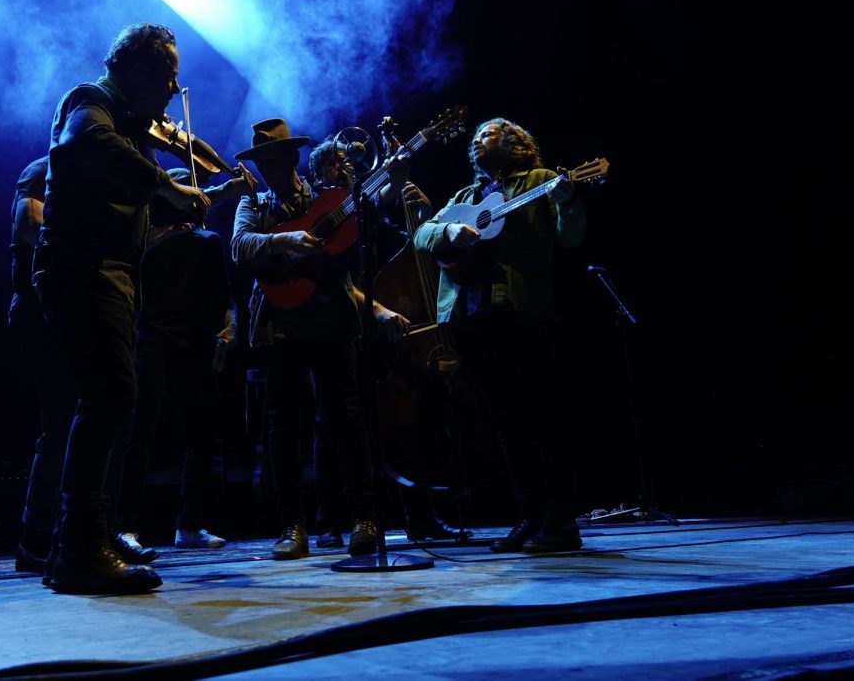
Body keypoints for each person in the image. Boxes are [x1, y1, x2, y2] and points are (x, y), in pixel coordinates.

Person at [32, 23, 210, 594]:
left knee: (114, 402)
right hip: (84, 270)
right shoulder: (91, 103)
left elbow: (120, 202)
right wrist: (165, 185)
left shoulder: (128, 125)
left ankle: (91, 536)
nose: (171, 91)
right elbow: (88, 142)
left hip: (107, 271)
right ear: (137, 69)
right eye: (168, 78)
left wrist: (173, 198)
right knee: (109, 398)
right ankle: (76, 551)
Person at [230, 118, 404, 560]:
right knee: (284, 427)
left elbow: (368, 212)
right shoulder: (253, 202)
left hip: (332, 319)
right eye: (263, 159)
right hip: (279, 325)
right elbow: (240, 246)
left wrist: (395, 175)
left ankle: (364, 518)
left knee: (347, 418)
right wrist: (288, 239)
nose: (269, 167)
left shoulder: (328, 198)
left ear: (292, 158)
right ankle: (293, 525)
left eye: (276, 157)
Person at [413, 117, 587, 553]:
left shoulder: (541, 181)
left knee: (544, 419)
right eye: (474, 138)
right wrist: (450, 230)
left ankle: (561, 522)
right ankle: (529, 517)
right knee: (507, 425)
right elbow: (422, 234)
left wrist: (568, 201)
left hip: (524, 314)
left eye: (486, 135)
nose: (476, 141)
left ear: (513, 142)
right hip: (475, 320)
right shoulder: (466, 197)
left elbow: (572, 238)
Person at [306, 137, 469, 546]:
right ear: (318, 174)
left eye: (348, 162)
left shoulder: (370, 214)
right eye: (334, 163)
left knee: (403, 426)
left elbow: (407, 245)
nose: (344, 167)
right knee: (336, 424)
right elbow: (334, 275)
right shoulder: (319, 216)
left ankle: (420, 516)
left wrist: (416, 206)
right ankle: (331, 521)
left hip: (389, 333)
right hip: (340, 326)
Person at [113, 164, 255, 554]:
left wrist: (229, 328)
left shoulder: (207, 240)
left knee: (201, 436)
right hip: (154, 339)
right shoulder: (142, 239)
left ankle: (190, 525)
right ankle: (125, 525)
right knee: (143, 431)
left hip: (198, 343)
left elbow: (224, 294)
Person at [8, 155, 79, 573]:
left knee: (92, 420)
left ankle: (82, 530)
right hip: (43, 311)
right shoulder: (44, 170)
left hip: (77, 314)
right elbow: (28, 225)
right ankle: (35, 536)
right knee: (60, 422)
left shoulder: (94, 178)